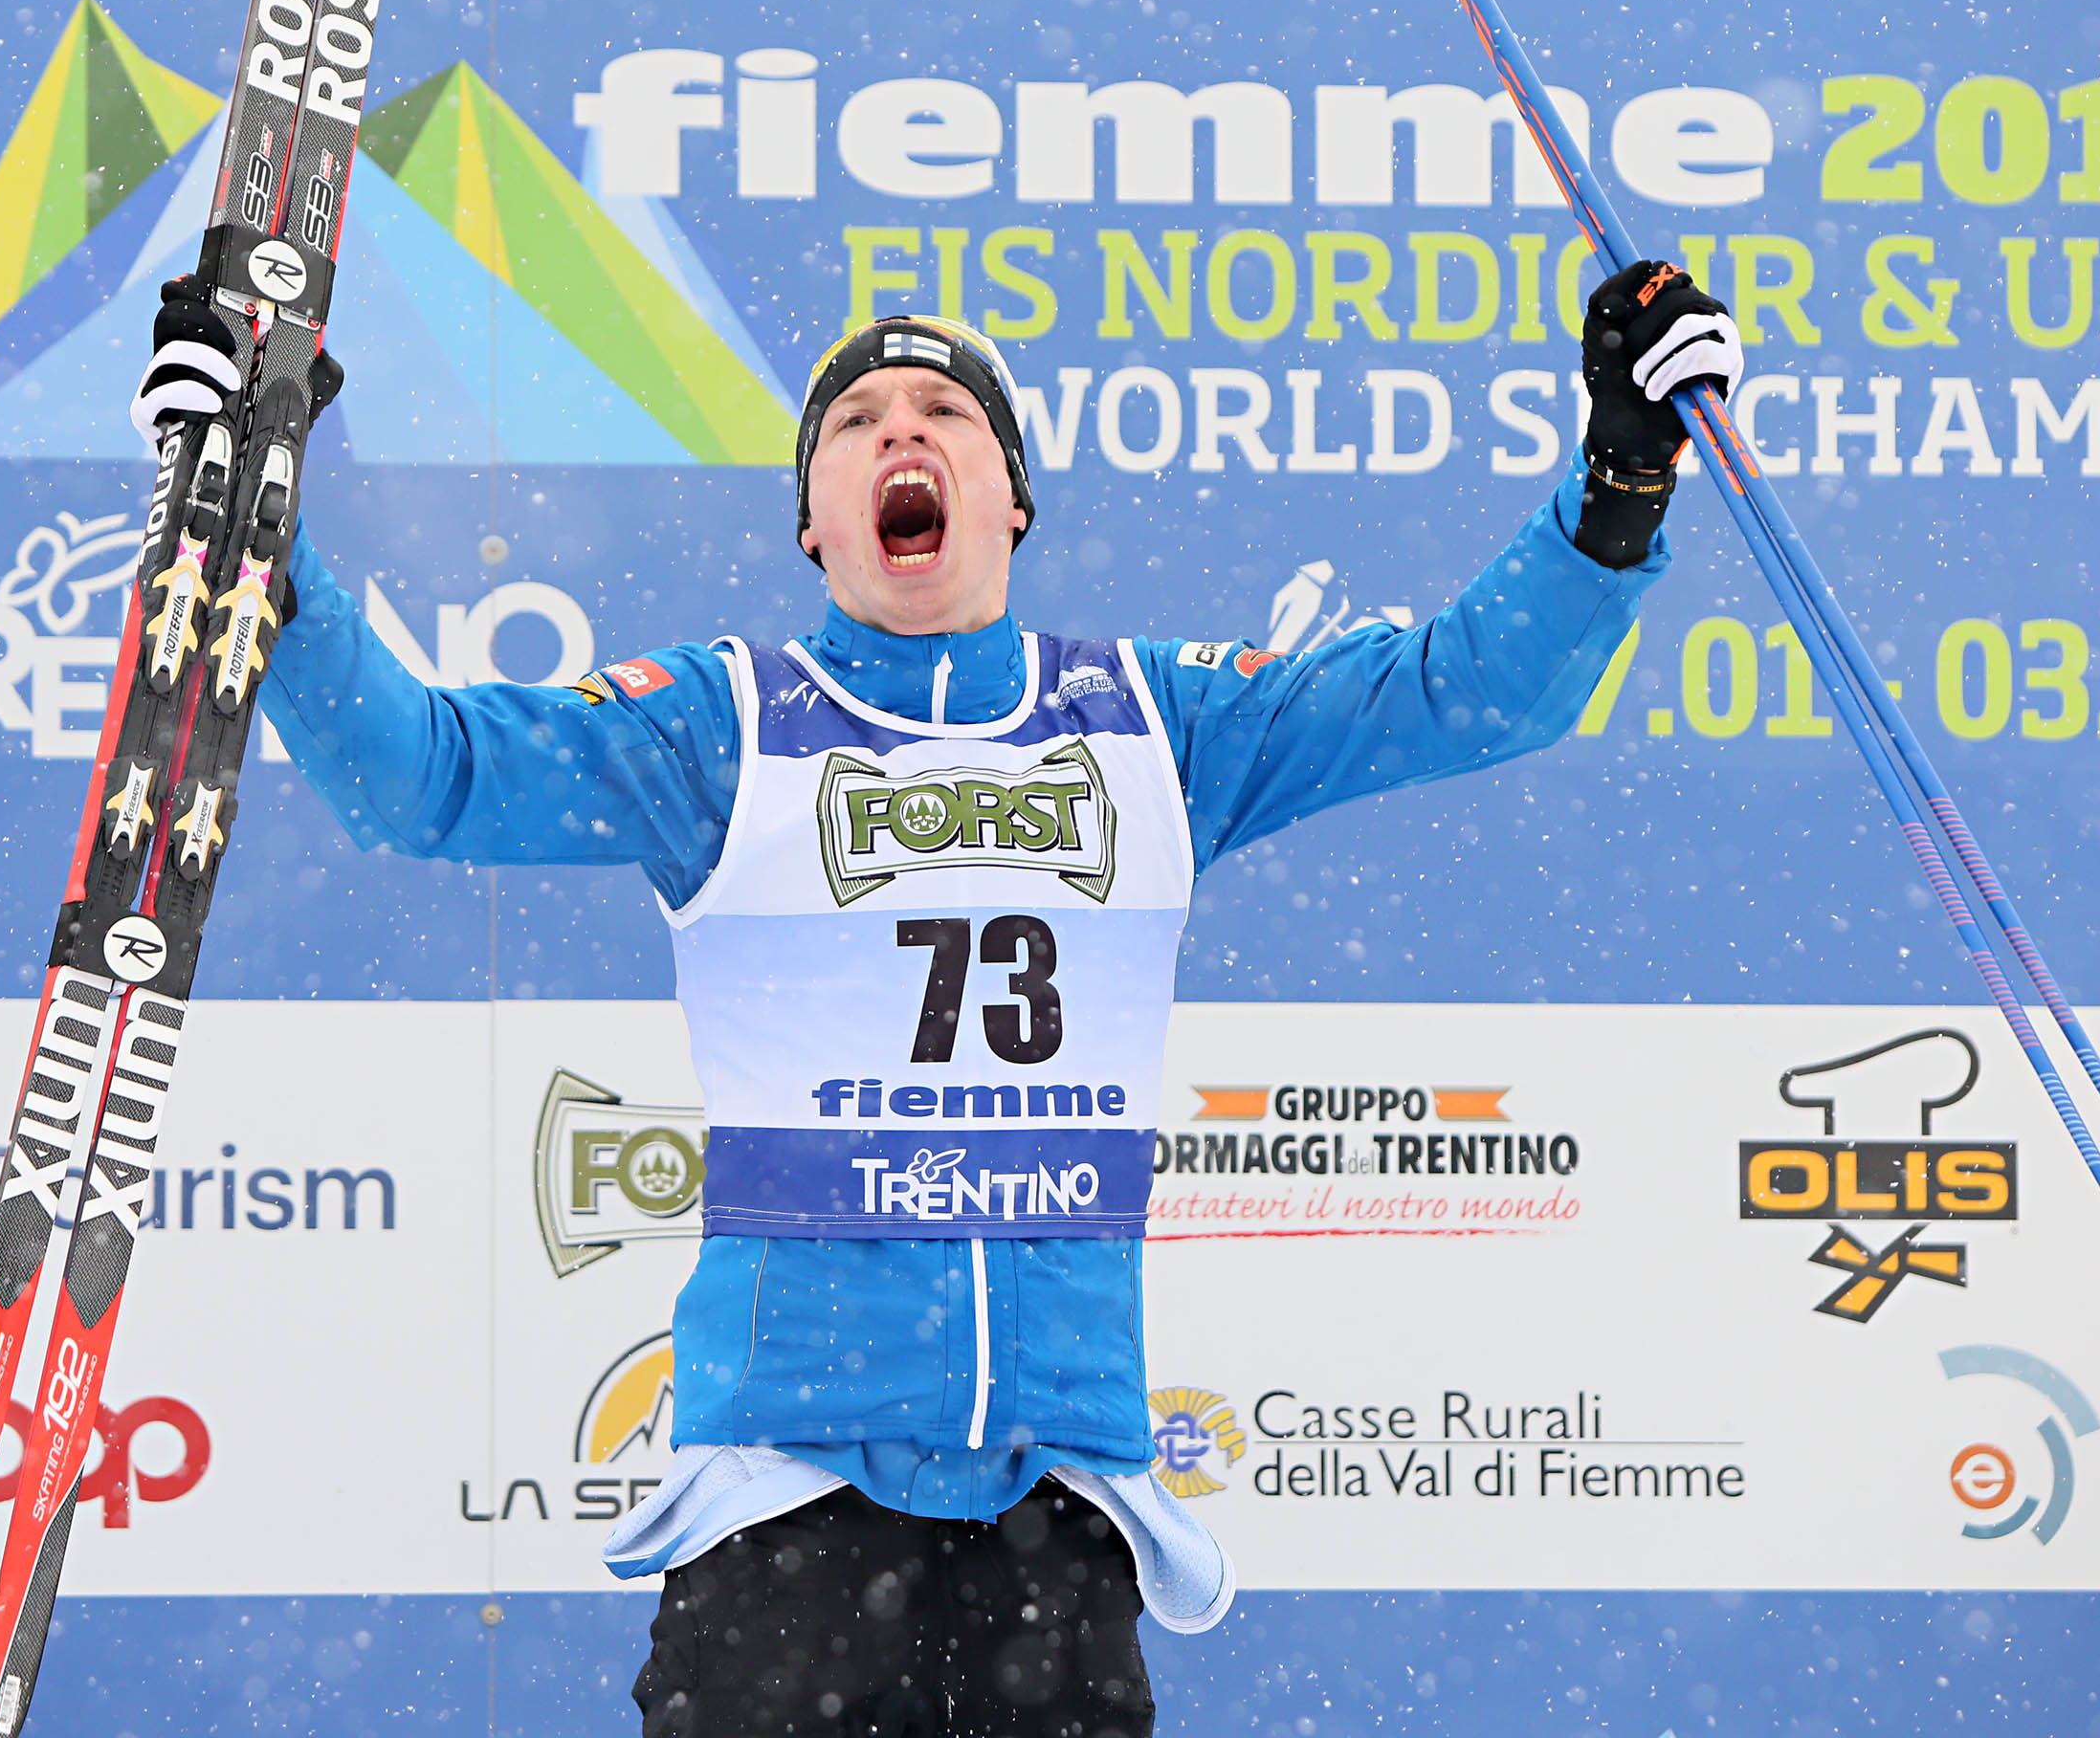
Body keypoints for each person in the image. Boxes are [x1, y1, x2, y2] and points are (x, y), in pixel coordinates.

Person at [132, 261, 1743, 1737]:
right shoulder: (724, 729)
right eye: (857, 422)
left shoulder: (1154, 729)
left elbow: (1465, 693)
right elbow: (429, 776)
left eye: (946, 412)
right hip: (787, 1518)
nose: (903, 430)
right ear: (817, 524)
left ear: (1011, 504)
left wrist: (1620, 478)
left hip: (1061, 1519)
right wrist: (249, 528)